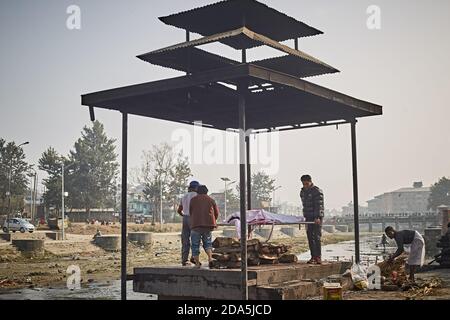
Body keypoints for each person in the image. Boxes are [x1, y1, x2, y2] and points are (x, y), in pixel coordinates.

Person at [189, 185, 219, 268]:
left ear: (197, 191)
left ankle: (197, 263)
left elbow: (190, 211)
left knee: (195, 244)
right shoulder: (211, 200)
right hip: (208, 225)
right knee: (208, 243)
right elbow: (216, 212)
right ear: (207, 191)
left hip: (196, 225)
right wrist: (213, 220)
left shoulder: (193, 200)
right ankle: (210, 259)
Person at [300, 175, 324, 264]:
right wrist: (304, 216)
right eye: (303, 184)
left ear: (310, 182)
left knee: (317, 237)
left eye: (306, 184)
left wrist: (317, 217)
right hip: (308, 217)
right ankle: (313, 257)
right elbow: (304, 205)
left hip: (316, 217)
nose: (305, 186)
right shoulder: (302, 192)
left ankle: (318, 257)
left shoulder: (317, 191)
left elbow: (319, 206)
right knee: (310, 237)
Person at [177, 180, 200, 266]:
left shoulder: (184, 196)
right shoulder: (197, 196)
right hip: (194, 218)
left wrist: (184, 216)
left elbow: (179, 210)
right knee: (195, 239)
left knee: (185, 240)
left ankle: (184, 260)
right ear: (196, 188)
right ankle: (194, 257)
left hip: (185, 218)